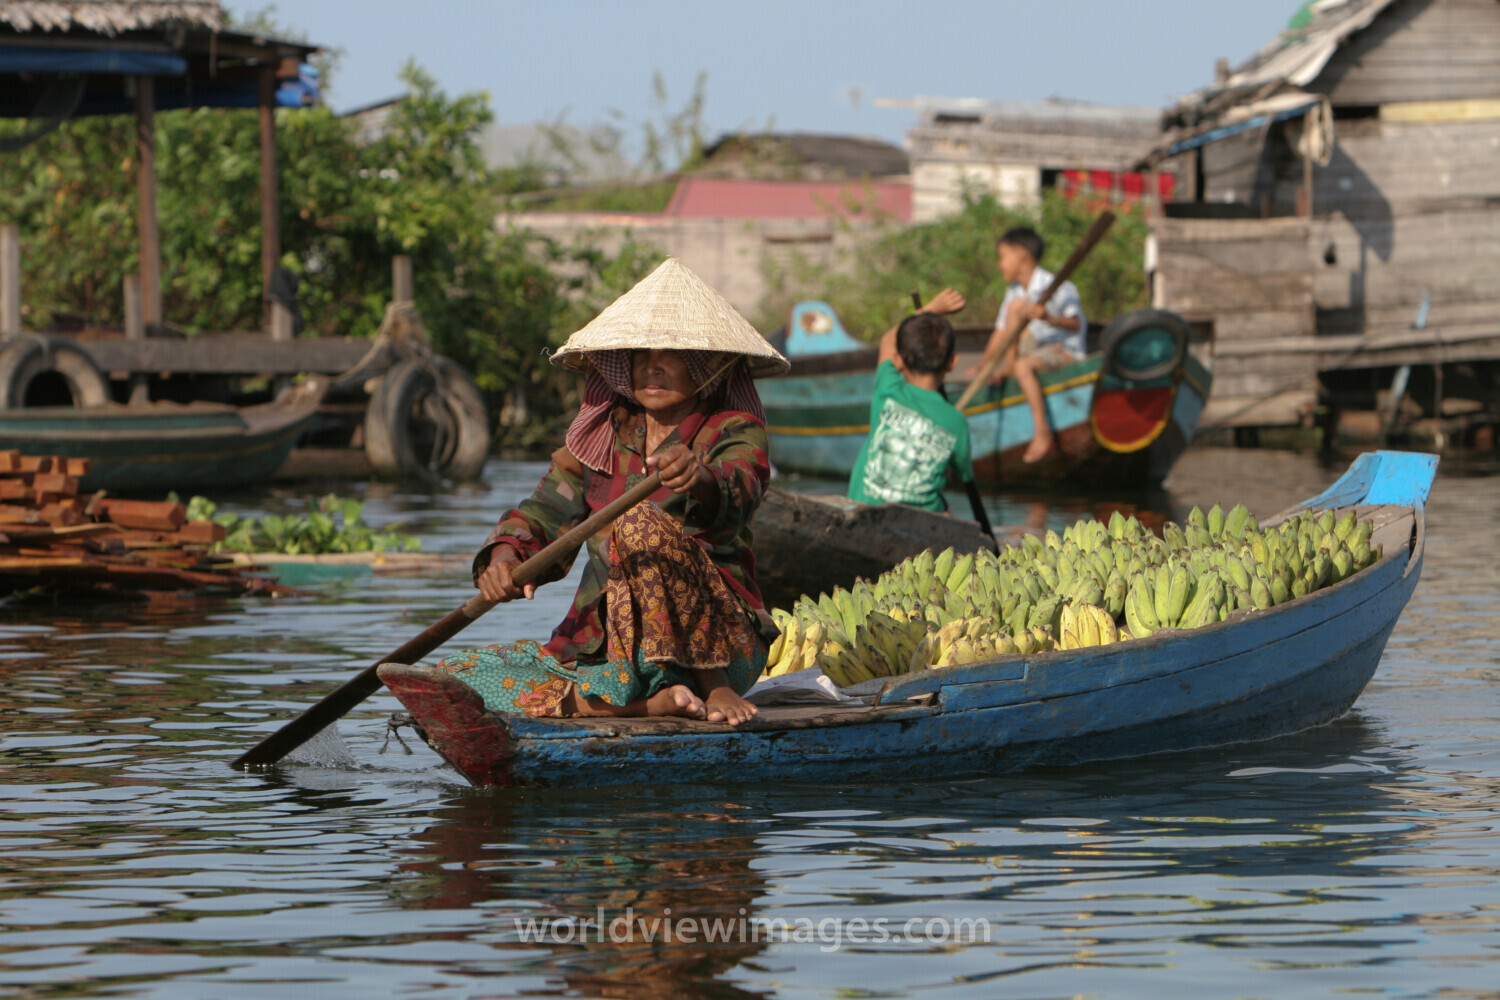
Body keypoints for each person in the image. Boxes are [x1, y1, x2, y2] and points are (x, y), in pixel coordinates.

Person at [427, 258, 789, 727]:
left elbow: (740, 486)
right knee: (456, 677)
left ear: (707, 366)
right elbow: (541, 513)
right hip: (611, 649)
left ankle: (709, 684)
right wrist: (504, 558)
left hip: (721, 640)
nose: (650, 366)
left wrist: (698, 476)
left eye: (669, 353)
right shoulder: (604, 436)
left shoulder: (733, 430)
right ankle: (646, 704)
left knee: (639, 522)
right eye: (639, 353)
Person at [847, 287, 976, 513]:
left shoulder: (889, 390)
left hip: (861, 509)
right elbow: (962, 473)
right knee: (946, 510)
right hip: (922, 520)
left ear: (898, 361)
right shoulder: (956, 421)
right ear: (952, 362)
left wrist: (931, 309)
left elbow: (889, 339)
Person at [968, 226, 1087, 464]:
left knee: (1023, 367)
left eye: (1003, 257)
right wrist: (983, 365)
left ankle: (1041, 431)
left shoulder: (1059, 286)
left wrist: (1047, 317)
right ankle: (1010, 367)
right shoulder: (1014, 292)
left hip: (1062, 350)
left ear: (1021, 254)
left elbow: (1075, 324)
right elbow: (1002, 332)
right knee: (1016, 309)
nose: (1000, 265)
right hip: (1034, 348)